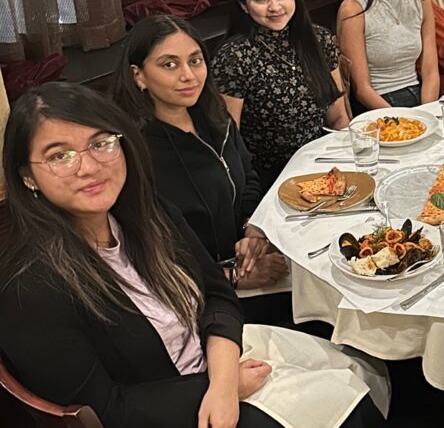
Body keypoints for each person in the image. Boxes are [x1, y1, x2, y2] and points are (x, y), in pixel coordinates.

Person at [0, 82, 387, 428]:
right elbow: (102, 410)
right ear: (27, 176)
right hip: (164, 407)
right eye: (59, 156)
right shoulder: (29, 288)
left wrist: (222, 380)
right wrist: (222, 389)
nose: (88, 166)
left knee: (357, 381)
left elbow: (216, 294)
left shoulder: (148, 215)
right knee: (343, 409)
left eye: (101, 143)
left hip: (214, 363)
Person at [109, 15, 289, 298]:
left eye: (195, 61)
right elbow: (146, 251)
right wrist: (230, 278)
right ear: (138, 76)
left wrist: (252, 231)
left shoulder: (214, 117)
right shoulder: (132, 152)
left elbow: (248, 177)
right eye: (169, 65)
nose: (189, 76)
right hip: (195, 292)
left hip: (246, 262)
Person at [213, 0, 350, 190]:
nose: (275, 7)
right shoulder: (233, 57)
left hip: (323, 166)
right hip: (270, 179)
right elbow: (230, 141)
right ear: (244, 5)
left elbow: (337, 118)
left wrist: (348, 163)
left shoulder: (318, 39)